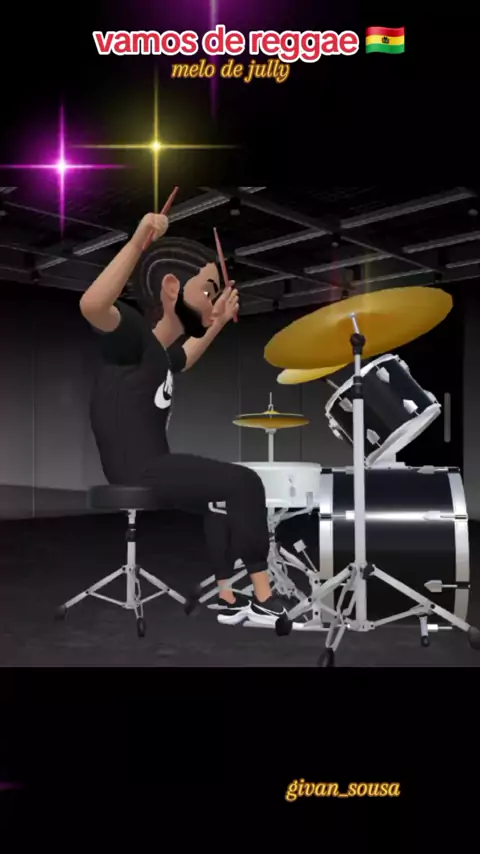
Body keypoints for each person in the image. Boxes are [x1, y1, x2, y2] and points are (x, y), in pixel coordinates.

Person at [80, 211, 290, 628]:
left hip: (148, 466)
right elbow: (92, 304)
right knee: (245, 482)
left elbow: (185, 357)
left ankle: (228, 596)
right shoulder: (131, 337)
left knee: (220, 503)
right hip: (141, 469)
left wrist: (218, 322)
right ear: (172, 288)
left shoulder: (155, 354)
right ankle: (265, 599)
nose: (213, 300)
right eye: (208, 291)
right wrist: (139, 238)